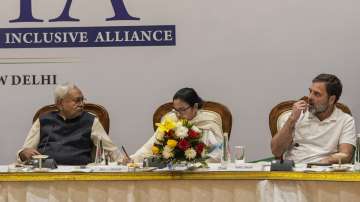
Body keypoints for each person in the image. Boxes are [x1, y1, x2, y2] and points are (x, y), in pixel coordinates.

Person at [17, 83, 121, 165]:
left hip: (81, 175)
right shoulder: (44, 119)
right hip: (46, 173)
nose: (82, 104)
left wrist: (123, 161)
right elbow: (25, 150)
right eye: (77, 101)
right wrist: (23, 154)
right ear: (60, 103)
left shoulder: (91, 120)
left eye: (82, 100)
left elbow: (111, 149)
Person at [271, 74, 356, 164]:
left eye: (317, 94)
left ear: (331, 99)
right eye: (310, 91)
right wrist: (292, 120)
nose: (310, 97)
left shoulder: (345, 120)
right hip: (294, 169)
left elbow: (345, 155)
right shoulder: (296, 115)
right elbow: (276, 151)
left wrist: (323, 162)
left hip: (325, 171)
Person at [131, 87, 224, 163]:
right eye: (176, 110)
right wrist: (133, 158)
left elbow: (219, 154)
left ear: (195, 107)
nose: (179, 114)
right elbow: (151, 146)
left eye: (182, 109)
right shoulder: (171, 120)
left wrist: (198, 163)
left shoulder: (208, 121)